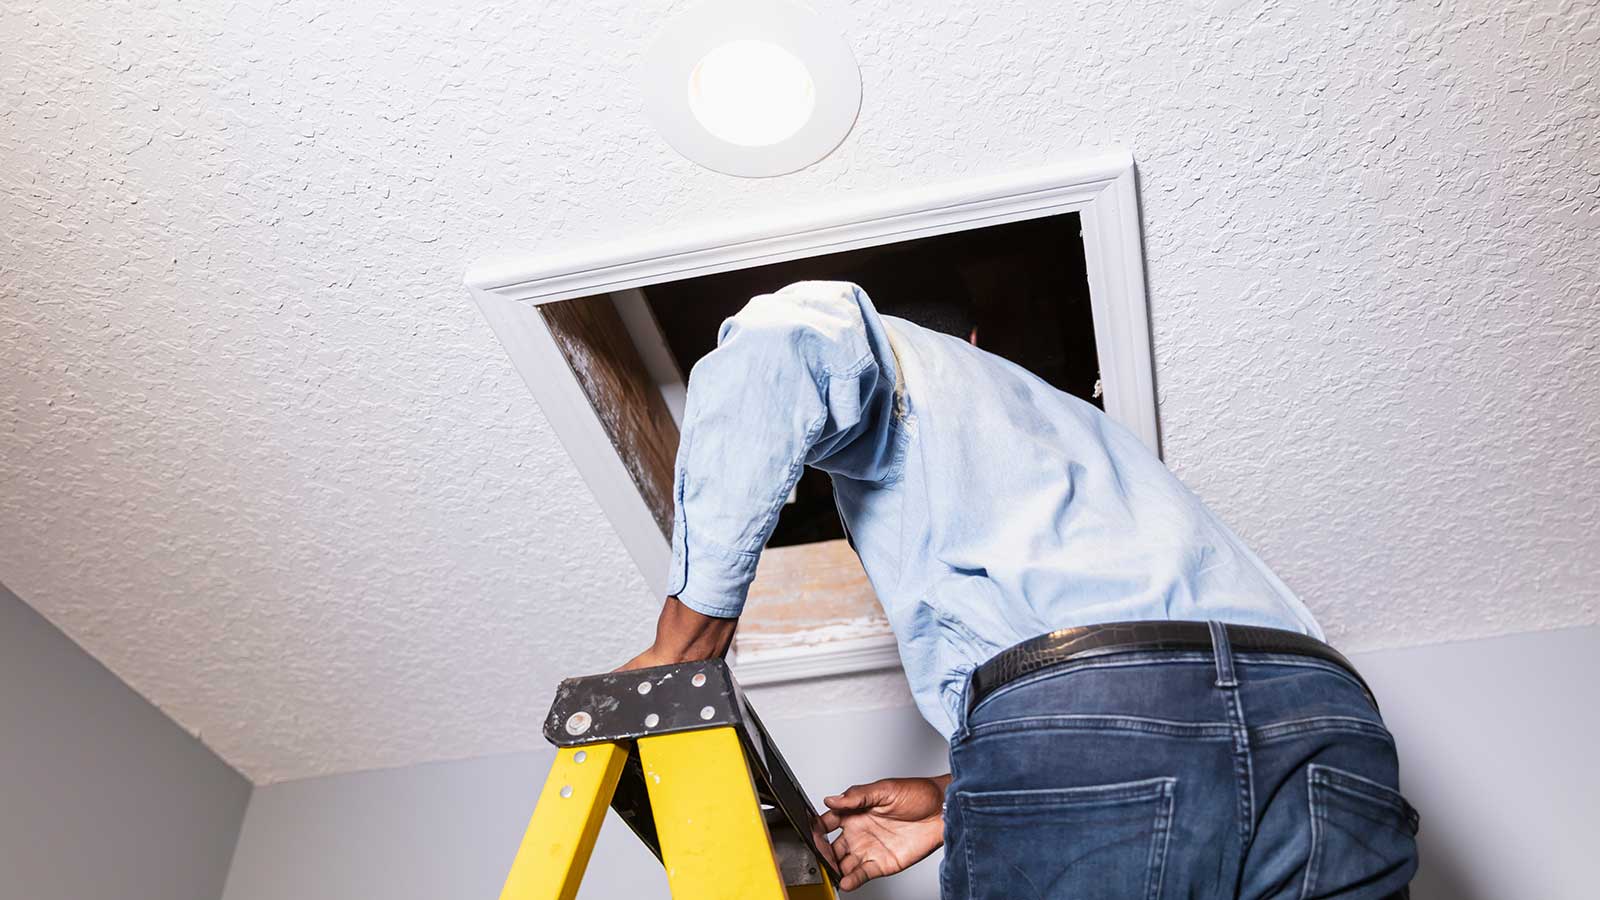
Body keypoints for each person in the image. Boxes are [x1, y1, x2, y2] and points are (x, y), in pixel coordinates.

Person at [619, 281, 1419, 898]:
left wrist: (683, 646)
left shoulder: (908, 363)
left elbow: (779, 343)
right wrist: (949, 795)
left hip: (1091, 709)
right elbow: (1191, 711)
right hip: (1326, 720)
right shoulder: (1087, 438)